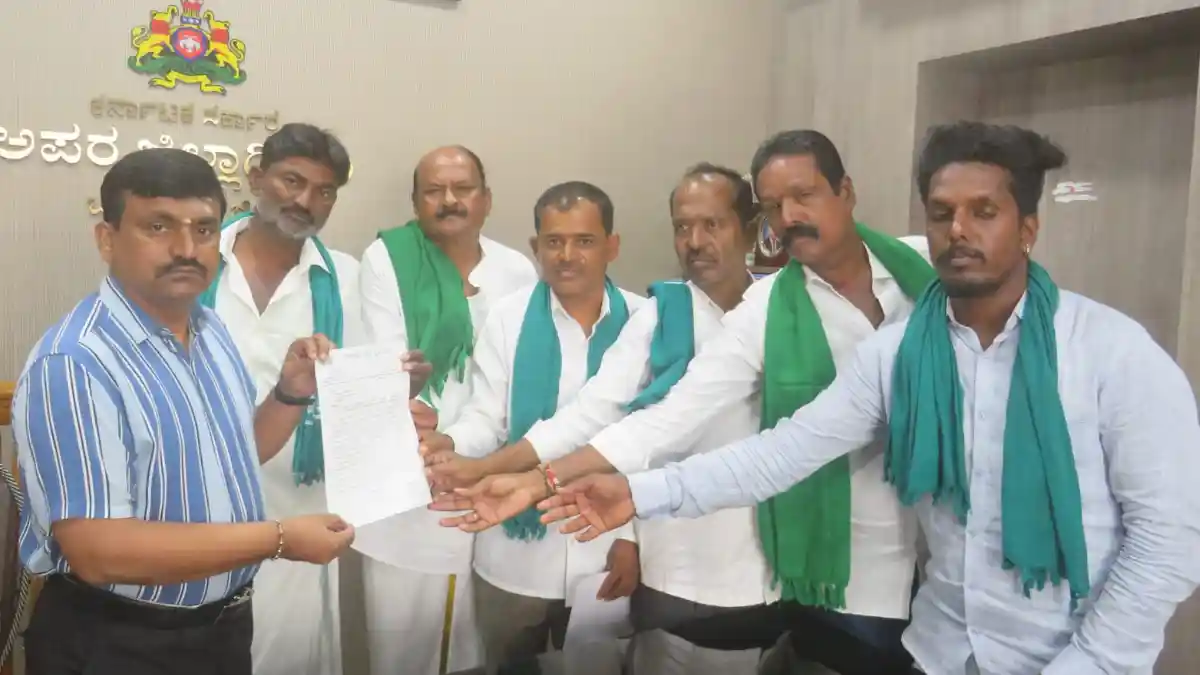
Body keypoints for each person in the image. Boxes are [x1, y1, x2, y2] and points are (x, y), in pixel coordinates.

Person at [539, 121, 1200, 675]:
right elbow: (783, 452)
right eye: (941, 213)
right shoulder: (903, 351)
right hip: (940, 649)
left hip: (1073, 657)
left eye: (984, 212)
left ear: (1027, 228)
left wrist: (1091, 662)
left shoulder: (1113, 354)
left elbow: (1169, 540)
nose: (958, 230)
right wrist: (636, 493)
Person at [435, 130, 931, 674]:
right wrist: (530, 478)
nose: (789, 216)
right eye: (775, 205)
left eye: (713, 224)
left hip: (895, 556)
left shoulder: (922, 274)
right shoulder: (741, 314)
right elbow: (653, 422)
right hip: (769, 562)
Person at [12, 148, 362, 675]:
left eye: (203, 229)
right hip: (120, 643)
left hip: (222, 632)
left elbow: (236, 454)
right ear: (107, 239)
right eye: (158, 226)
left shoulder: (209, 330)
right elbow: (98, 550)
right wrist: (280, 539)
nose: (185, 248)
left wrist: (290, 393)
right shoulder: (76, 363)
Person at [427, 164, 783, 674]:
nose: (695, 241)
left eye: (712, 225)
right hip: (635, 554)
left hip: (761, 550)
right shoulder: (658, 319)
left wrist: (623, 539)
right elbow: (596, 416)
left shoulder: (782, 313)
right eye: (683, 227)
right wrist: (473, 460)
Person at [195, 123, 435, 675]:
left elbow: (365, 390)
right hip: (196, 502)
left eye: (324, 191)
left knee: (286, 658)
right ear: (257, 177)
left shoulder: (346, 279)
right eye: (292, 181)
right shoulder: (197, 262)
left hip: (298, 515)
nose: (305, 201)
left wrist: (401, 388)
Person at [427, 181, 645, 673]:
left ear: (611, 246)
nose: (567, 255)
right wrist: (450, 445)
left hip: (605, 546)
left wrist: (631, 539)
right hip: (514, 555)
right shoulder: (508, 318)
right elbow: (487, 416)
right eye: (553, 241)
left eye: (584, 241)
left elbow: (651, 441)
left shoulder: (644, 321)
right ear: (536, 247)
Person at [355, 145, 537, 675]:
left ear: (486, 200)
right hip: (410, 475)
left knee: (477, 642)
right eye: (434, 191)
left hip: (493, 469)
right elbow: (388, 364)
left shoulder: (517, 270)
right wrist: (431, 445)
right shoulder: (387, 258)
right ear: (415, 203)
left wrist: (467, 449)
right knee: (404, 641)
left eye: (463, 189)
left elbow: (513, 377)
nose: (449, 200)